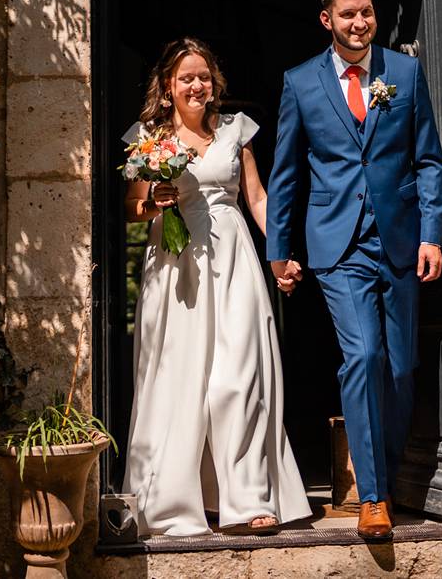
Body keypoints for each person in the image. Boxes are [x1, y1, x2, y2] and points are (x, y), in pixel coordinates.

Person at [265, 0, 442, 540]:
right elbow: (286, 173)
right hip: (336, 246)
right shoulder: (301, 83)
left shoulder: (405, 74)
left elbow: (429, 162)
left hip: (398, 241)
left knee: (399, 368)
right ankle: (373, 496)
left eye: (366, 13)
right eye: (348, 15)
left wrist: (431, 234)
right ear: (328, 20)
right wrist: (279, 251)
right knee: (364, 356)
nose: (359, 23)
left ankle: (389, 475)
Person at [121, 37, 311, 537]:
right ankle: (178, 498)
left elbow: (258, 198)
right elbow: (132, 209)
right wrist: (156, 200)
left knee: (237, 378)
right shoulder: (149, 138)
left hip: (234, 260)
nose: (197, 84)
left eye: (204, 76)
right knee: (180, 380)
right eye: (187, 77)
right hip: (176, 265)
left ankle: (248, 498)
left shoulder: (235, 131)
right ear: (168, 87)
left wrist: (282, 253)